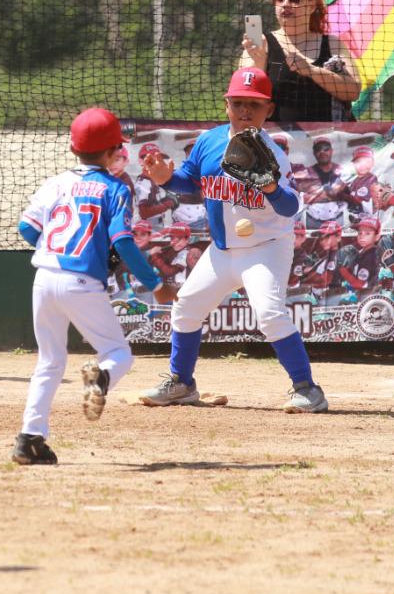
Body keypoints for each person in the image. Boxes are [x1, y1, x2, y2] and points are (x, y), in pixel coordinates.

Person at [137, 68, 329, 414]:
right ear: (226, 104)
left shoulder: (274, 154)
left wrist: (270, 186)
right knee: (186, 307)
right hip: (222, 250)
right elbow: (190, 181)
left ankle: (308, 390)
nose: (245, 111)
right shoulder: (209, 142)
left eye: (254, 105)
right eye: (238, 103)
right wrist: (167, 178)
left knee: (270, 314)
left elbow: (289, 207)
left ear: (268, 110)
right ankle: (182, 383)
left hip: (266, 247)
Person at [13, 108, 175, 465]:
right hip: (82, 281)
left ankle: (29, 438)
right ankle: (100, 380)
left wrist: (59, 245)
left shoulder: (55, 183)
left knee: (50, 361)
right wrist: (155, 283)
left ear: (74, 148)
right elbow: (123, 240)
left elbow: (27, 230)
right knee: (118, 355)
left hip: (44, 277)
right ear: (112, 150)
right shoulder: (115, 188)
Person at [239, 0, 360, 124]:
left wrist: (312, 71)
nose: (285, 4)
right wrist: (259, 62)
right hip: (275, 142)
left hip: (327, 142)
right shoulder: (260, 44)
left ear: (311, 6)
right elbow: (245, 99)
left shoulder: (332, 44)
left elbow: (353, 91)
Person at [298, 137, 348, 231]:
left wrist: (317, 194)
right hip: (313, 219)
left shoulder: (342, 170)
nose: (322, 152)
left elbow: (347, 195)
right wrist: (330, 194)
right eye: (318, 149)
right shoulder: (307, 173)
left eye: (326, 149)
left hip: (338, 218)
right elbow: (303, 198)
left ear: (331, 151)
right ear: (314, 153)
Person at [335, 217, 384, 302]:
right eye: (360, 233)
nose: (362, 236)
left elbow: (360, 284)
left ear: (376, 237)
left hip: (368, 298)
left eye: (367, 233)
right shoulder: (365, 252)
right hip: (365, 296)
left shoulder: (370, 256)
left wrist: (343, 271)